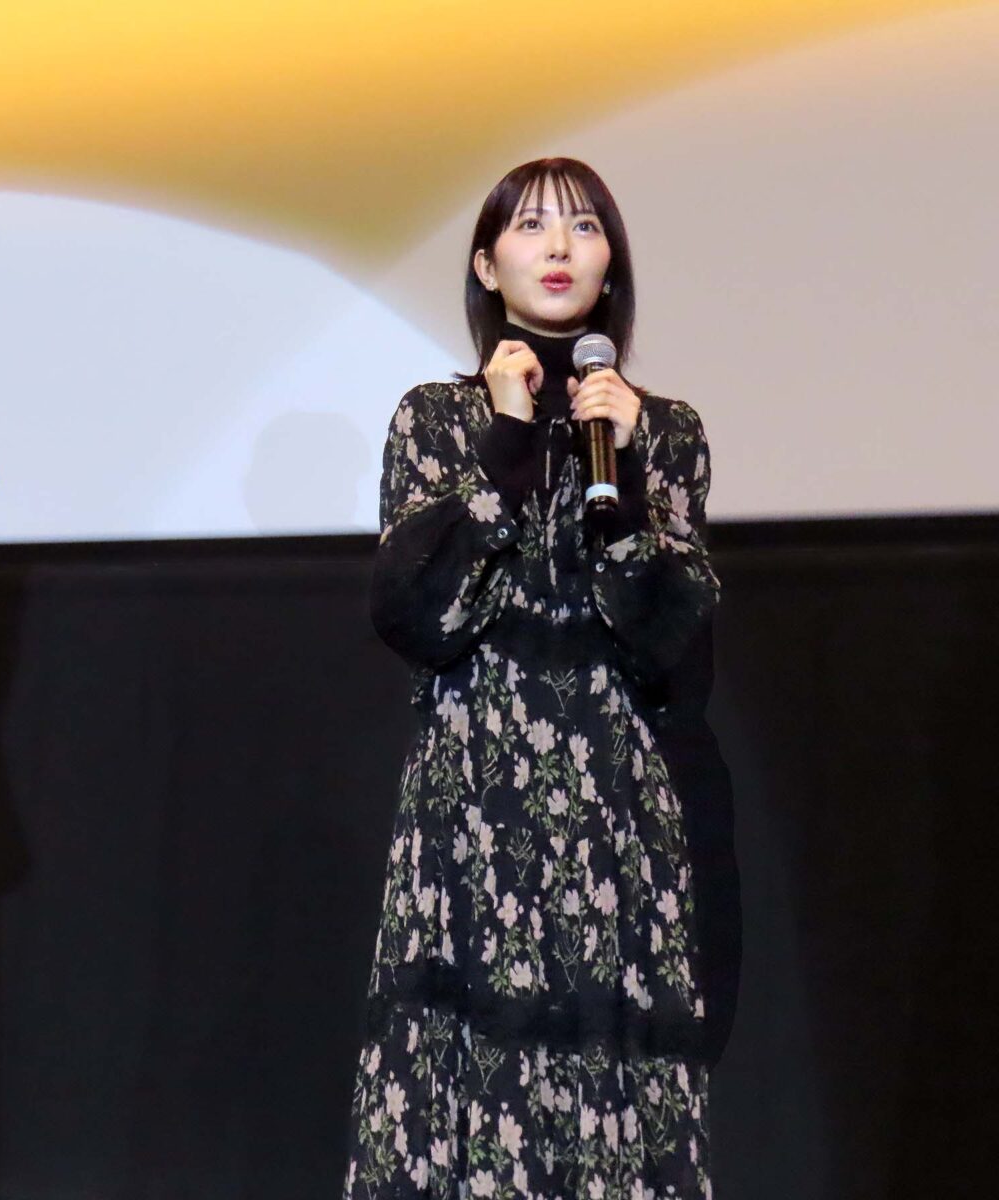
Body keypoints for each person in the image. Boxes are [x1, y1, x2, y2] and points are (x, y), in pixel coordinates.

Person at [343, 157, 732, 1199]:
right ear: (486, 265)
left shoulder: (665, 431)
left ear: (610, 266)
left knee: (612, 1103)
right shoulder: (436, 420)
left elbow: (672, 645)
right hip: (474, 804)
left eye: (584, 227)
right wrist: (508, 442)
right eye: (530, 226)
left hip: (616, 808)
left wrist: (630, 480)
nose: (559, 246)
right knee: (468, 1093)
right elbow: (417, 616)